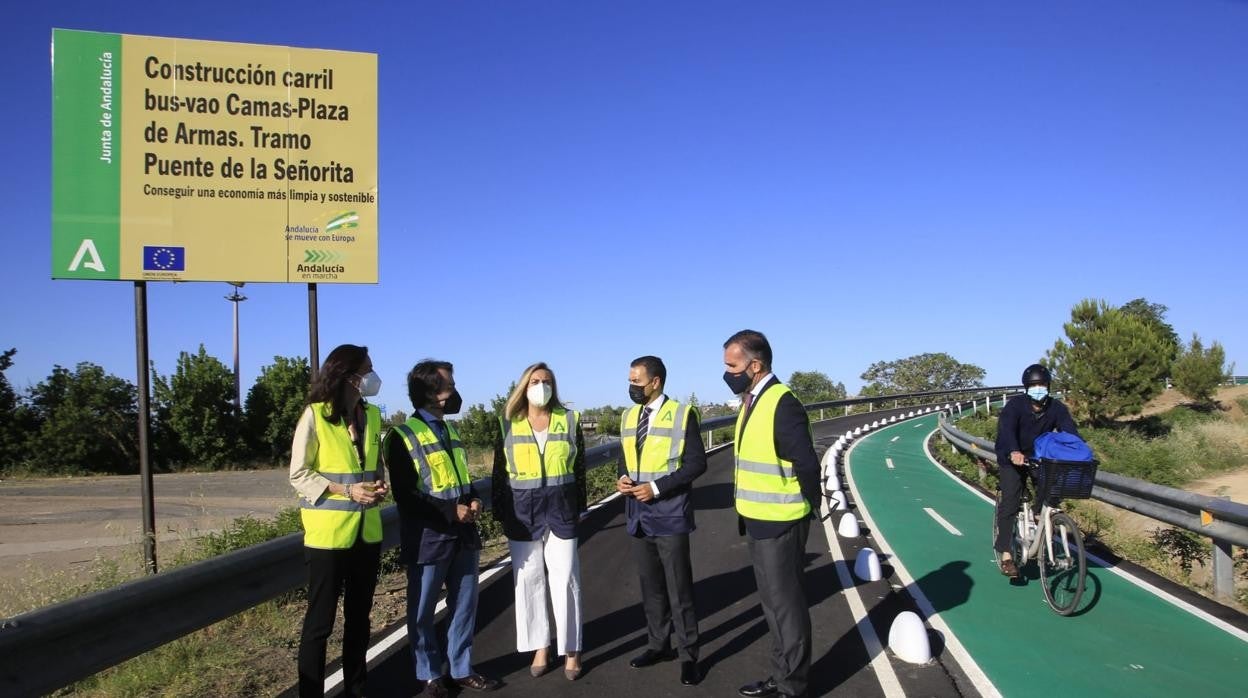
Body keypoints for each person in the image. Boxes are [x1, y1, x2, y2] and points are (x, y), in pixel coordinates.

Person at [384, 360, 500, 696]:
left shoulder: (451, 430)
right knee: (422, 612)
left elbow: (461, 477)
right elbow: (406, 495)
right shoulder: (402, 436)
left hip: (463, 532)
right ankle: (430, 674)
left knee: (465, 605)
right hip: (428, 537)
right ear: (432, 393)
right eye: (449, 386)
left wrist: (474, 499)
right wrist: (451, 511)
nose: (455, 392)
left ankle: (461, 668)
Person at [723, 330, 822, 698]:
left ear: (755, 364)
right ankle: (780, 677)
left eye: (732, 366)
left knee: (787, 607)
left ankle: (792, 687)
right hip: (758, 519)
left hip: (781, 521)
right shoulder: (754, 399)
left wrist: (809, 505)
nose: (727, 372)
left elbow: (807, 464)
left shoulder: (782, 402)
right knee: (774, 607)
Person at [289, 344, 388, 698]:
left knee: (360, 619)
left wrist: (380, 485)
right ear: (349, 376)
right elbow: (299, 474)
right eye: (369, 370)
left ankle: (357, 689)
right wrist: (346, 491)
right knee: (320, 625)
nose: (374, 377)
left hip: (367, 530)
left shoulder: (373, 415)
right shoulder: (315, 416)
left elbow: (374, 465)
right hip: (328, 537)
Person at [491, 362, 587, 681]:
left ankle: (571, 650)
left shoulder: (569, 419)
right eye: (535, 380)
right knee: (528, 581)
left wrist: (581, 506)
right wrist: (500, 512)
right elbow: (499, 473)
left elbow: (580, 467)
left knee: (566, 579)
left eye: (546, 380)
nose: (541, 385)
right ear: (524, 385)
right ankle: (539, 646)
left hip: (561, 510)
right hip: (522, 513)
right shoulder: (508, 423)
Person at [617, 356, 708, 686]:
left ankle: (689, 656)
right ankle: (659, 645)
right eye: (630, 380)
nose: (631, 387)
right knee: (651, 588)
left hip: (669, 514)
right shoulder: (629, 417)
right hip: (638, 517)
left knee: (679, 589)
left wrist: (655, 488)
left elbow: (696, 464)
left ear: (655, 382)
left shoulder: (682, 415)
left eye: (636, 381)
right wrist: (622, 479)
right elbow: (624, 458)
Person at [994, 363, 1081, 579]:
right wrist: (1014, 451)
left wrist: (1080, 450)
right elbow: (1006, 429)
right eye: (1034, 385)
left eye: (1042, 384)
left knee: (1050, 490)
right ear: (1026, 388)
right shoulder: (1015, 406)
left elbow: (1069, 431)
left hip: (1037, 456)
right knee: (1011, 502)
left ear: (1048, 386)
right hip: (1011, 456)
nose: (1038, 388)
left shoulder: (1056, 408)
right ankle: (1006, 554)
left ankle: (1036, 514)